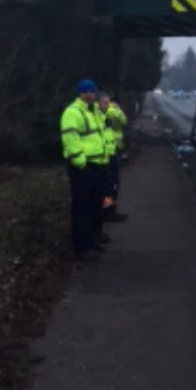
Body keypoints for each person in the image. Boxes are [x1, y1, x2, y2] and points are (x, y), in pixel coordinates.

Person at [60, 80, 106, 260]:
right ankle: (81, 247)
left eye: (92, 92)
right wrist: (80, 163)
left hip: (96, 165)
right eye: (85, 92)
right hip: (83, 167)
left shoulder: (92, 111)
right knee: (82, 208)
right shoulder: (73, 112)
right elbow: (70, 139)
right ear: (79, 94)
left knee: (95, 206)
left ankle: (91, 241)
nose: (89, 95)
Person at [97, 91, 130, 223]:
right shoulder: (101, 115)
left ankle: (110, 210)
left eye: (108, 102)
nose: (108, 105)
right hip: (105, 157)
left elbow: (123, 121)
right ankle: (107, 211)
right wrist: (115, 109)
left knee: (113, 186)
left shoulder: (106, 115)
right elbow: (123, 119)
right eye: (105, 103)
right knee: (109, 187)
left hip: (112, 153)